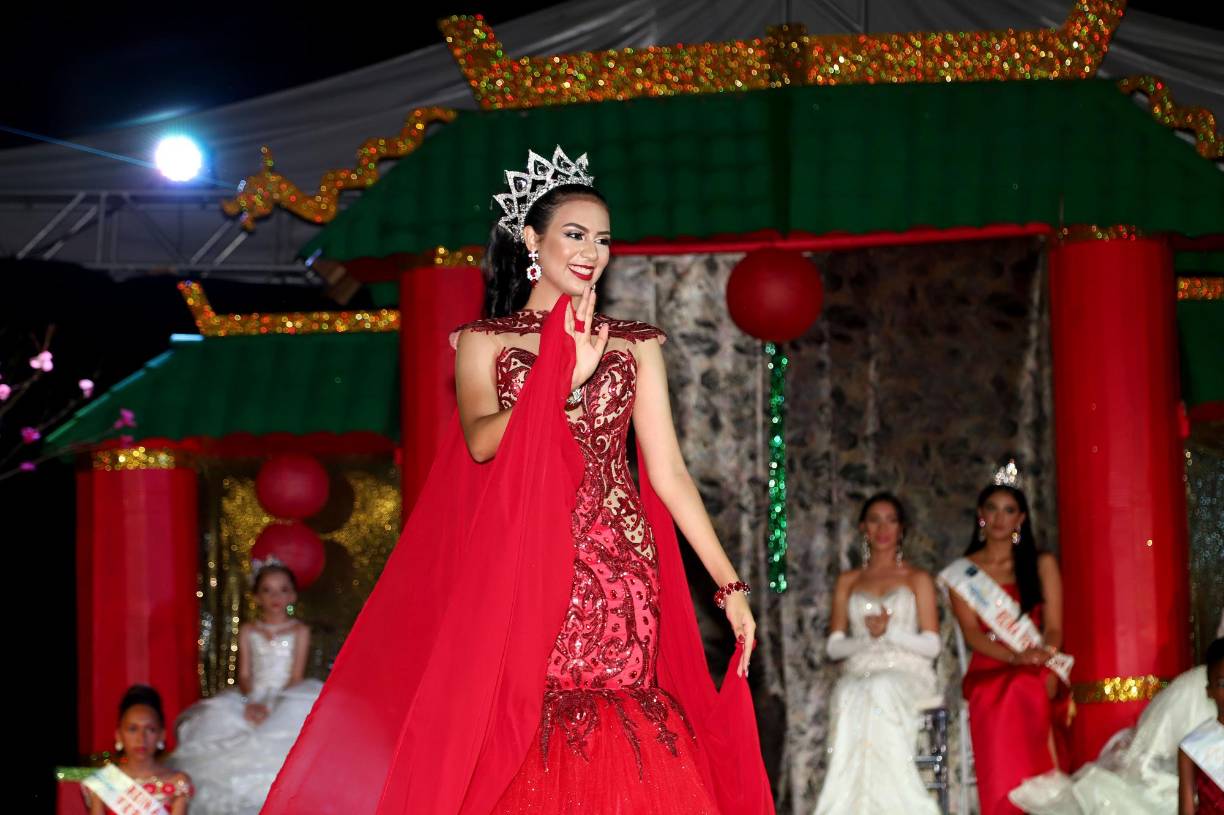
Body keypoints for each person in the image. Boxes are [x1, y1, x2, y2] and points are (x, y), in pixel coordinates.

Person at [260, 147, 774, 814]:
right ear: (532, 240)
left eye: (604, 238)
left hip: (622, 565)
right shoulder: (486, 341)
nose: (592, 250)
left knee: (630, 724)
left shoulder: (635, 342)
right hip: (532, 562)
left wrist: (728, 583)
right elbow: (479, 439)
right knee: (536, 726)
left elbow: (670, 473)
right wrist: (562, 379)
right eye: (575, 233)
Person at [941, 464, 1071, 815]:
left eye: (1009, 510)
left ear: (1021, 519)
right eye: (992, 509)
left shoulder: (1041, 564)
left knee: (1029, 685)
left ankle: (1044, 799)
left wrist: (1045, 656)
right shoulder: (962, 573)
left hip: (1038, 659)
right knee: (1004, 689)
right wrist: (1015, 659)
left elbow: (1055, 627)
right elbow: (970, 634)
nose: (1000, 518)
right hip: (989, 665)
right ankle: (1003, 804)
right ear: (981, 516)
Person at [813, 492, 941, 815]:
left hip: (908, 671)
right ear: (863, 528)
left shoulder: (917, 578)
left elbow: (932, 645)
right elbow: (834, 646)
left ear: (901, 529)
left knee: (880, 688)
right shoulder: (849, 580)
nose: (883, 528)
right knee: (849, 691)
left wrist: (890, 633)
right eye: (874, 520)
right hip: (860, 669)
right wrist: (869, 640)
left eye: (891, 520)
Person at [169, 560, 321, 815]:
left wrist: (276, 705)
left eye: (283, 590)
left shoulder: (299, 630)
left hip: (288, 697)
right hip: (254, 696)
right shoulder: (249, 630)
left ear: (293, 595)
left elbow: (295, 676)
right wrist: (252, 702)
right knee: (222, 734)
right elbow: (245, 675)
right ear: (257, 596)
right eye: (268, 590)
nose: (276, 597)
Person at [83, 685, 193, 814]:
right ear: (119, 735)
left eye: (150, 729)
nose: (141, 738)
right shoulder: (105, 781)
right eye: (133, 729)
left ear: (161, 735)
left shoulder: (177, 782)